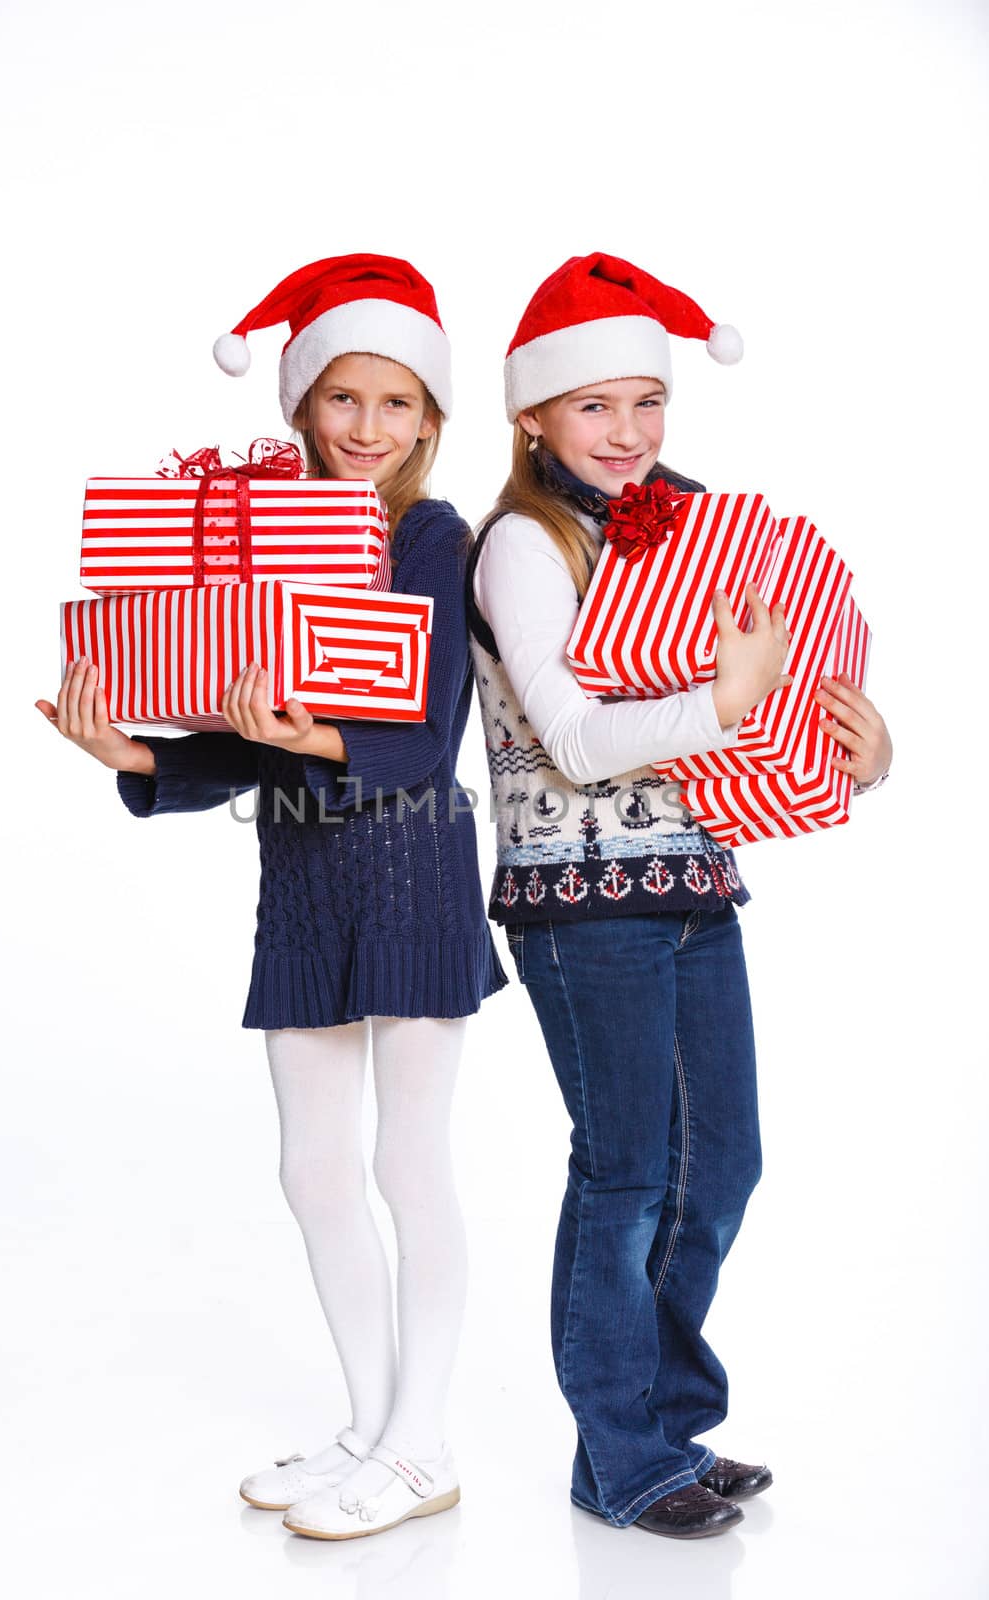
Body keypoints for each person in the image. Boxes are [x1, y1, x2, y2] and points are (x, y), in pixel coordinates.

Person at [36, 255, 506, 1542]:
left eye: (395, 402)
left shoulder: (428, 535)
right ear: (302, 405)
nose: (365, 426)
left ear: (429, 418)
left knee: (408, 1162)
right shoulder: (265, 538)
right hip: (300, 870)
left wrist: (298, 737)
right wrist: (139, 756)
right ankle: (366, 1423)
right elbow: (258, 735)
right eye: (342, 398)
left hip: (411, 867)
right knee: (311, 1170)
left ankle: (425, 1443)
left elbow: (419, 738)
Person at [465, 253, 892, 1539]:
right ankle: (622, 1451)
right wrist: (727, 695)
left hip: (698, 876)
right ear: (531, 413)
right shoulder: (520, 548)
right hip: (577, 892)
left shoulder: (698, 527)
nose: (629, 432)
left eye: (647, 402)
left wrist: (854, 760)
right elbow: (582, 738)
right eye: (595, 406)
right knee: (626, 1172)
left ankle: (657, 1427)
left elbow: (758, 715)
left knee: (723, 1165)